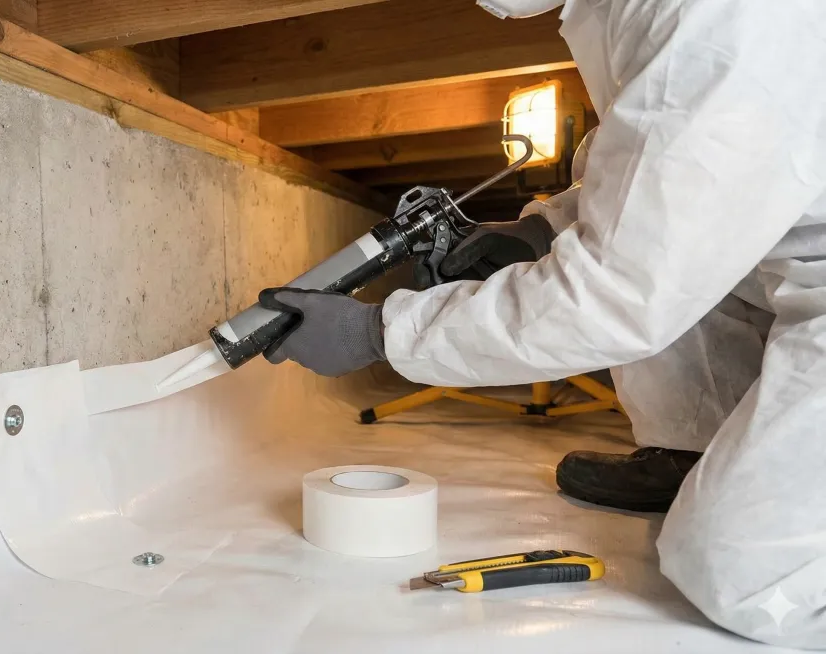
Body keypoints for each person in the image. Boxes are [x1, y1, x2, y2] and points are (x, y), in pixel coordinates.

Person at [259, 0, 826, 647]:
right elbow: (667, 169)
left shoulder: (718, 20)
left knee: (747, 571)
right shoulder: (640, 14)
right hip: (791, 253)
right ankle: (686, 452)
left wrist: (376, 333)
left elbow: (617, 289)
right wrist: (539, 229)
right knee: (599, 151)